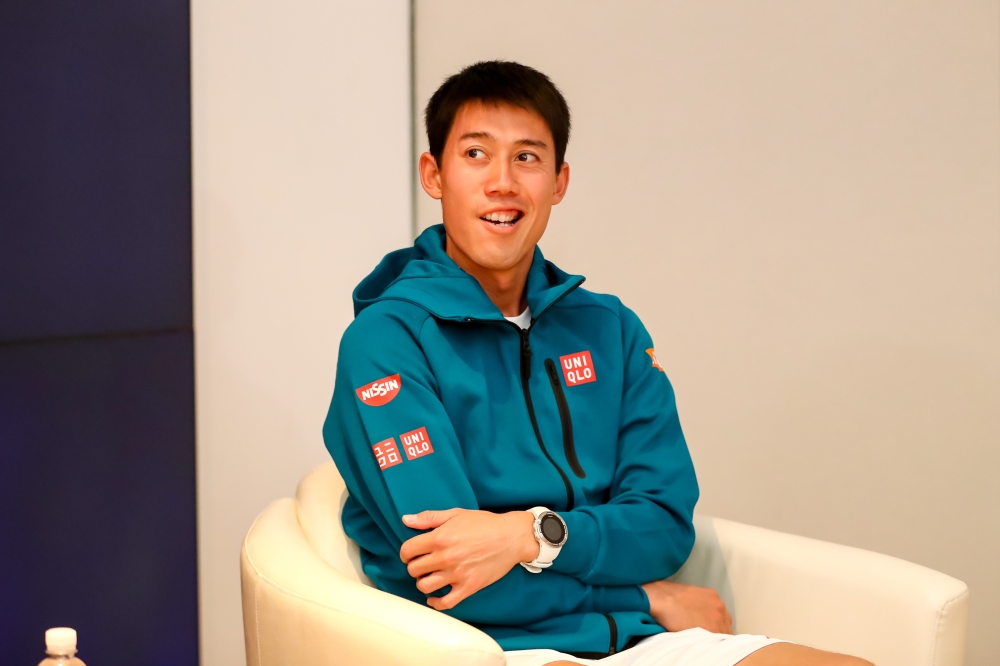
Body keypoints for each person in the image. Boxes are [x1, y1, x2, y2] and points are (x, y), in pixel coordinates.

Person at [323, 61, 871, 666]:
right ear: (434, 174)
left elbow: (664, 526)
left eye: (526, 158)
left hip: (636, 638)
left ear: (558, 182)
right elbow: (451, 577)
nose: (502, 182)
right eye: (476, 154)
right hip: (488, 649)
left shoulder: (610, 330)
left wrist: (526, 536)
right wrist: (644, 593)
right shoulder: (387, 342)